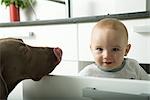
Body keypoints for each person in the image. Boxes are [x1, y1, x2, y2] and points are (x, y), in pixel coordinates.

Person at [79, 18, 149, 80]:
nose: (106, 55)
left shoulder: (133, 67)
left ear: (126, 50)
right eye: (100, 49)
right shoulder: (87, 73)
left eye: (115, 49)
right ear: (92, 50)